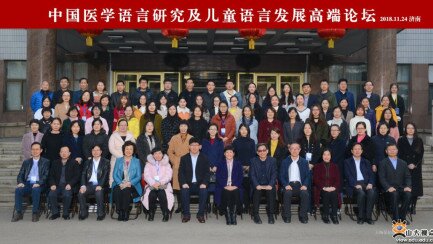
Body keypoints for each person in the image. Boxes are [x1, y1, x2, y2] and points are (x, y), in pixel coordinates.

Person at [12, 142, 50, 222]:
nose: (35, 151)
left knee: (36, 190)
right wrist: (20, 182)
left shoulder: (46, 162)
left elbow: (46, 175)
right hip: (28, 183)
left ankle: (35, 213)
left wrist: (39, 183)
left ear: (41, 150)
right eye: (33, 149)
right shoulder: (26, 162)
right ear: (31, 151)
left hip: (40, 184)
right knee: (18, 190)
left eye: (37, 149)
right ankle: (18, 212)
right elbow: (20, 174)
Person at [179, 137, 211, 223]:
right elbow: (181, 173)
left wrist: (204, 183)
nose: (194, 147)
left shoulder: (204, 158)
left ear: (200, 146)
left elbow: (207, 173)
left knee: (204, 191)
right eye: (192, 145)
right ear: (189, 146)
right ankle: (186, 214)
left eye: (196, 145)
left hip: (200, 184)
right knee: (184, 191)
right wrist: (183, 183)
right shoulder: (184, 158)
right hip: (188, 184)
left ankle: (200, 214)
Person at [379, 144, 412, 223]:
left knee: (408, 194)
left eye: (394, 149)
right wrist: (388, 187)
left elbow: (408, 177)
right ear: (386, 151)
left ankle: (402, 217)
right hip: (389, 189)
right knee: (394, 194)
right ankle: (396, 219)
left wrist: (408, 186)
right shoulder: (382, 163)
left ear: (397, 150)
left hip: (401, 187)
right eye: (390, 150)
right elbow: (382, 178)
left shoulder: (403, 163)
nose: (392, 151)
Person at [344, 143, 376, 225]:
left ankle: (368, 217)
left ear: (362, 151)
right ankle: (361, 217)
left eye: (359, 149)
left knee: (372, 192)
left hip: (365, 184)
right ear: (352, 151)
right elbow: (348, 176)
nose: (357, 151)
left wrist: (370, 183)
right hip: (353, 185)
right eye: (355, 149)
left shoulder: (366, 162)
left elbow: (371, 175)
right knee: (361, 193)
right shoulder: (347, 162)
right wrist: (355, 184)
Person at [78, 145, 110, 221]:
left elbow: (105, 175)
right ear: (91, 152)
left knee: (98, 192)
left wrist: (100, 185)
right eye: (94, 150)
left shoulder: (106, 162)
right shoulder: (87, 162)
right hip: (89, 185)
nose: (95, 152)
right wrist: (83, 186)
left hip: (101, 185)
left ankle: (101, 213)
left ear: (101, 152)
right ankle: (83, 213)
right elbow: (83, 174)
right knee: (81, 193)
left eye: (97, 150)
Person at [47, 146, 80, 220]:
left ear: (69, 153)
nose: (64, 153)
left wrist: (70, 184)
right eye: (62, 152)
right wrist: (52, 184)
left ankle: (65, 213)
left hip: (68, 186)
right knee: (51, 194)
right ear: (59, 153)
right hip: (57, 186)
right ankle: (55, 213)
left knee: (67, 194)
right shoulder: (55, 163)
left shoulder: (74, 163)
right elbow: (51, 176)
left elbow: (77, 176)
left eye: (66, 152)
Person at [397, 123, 424, 215]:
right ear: (406, 130)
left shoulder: (419, 140)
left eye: (412, 128)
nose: (410, 130)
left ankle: (413, 206)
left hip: (416, 167)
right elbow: (399, 154)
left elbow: (421, 154)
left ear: (415, 129)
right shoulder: (401, 140)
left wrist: (414, 164)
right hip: (405, 167)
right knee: (406, 186)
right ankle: (406, 206)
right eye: (408, 128)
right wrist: (407, 164)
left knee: (415, 188)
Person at [112, 141, 142, 221]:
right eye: (127, 149)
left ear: (133, 150)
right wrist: (120, 183)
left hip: (132, 185)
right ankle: (120, 211)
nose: (128, 151)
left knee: (126, 191)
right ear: (123, 150)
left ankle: (125, 212)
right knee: (117, 190)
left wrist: (129, 183)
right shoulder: (118, 160)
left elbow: (139, 176)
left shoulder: (137, 161)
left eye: (130, 149)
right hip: (119, 183)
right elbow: (114, 174)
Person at [167, 121, 193, 213]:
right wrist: (174, 161)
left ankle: (186, 204)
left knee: (186, 184)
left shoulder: (191, 138)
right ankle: (180, 205)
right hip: (177, 163)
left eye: (185, 126)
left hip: (189, 163)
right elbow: (170, 151)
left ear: (187, 127)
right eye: (181, 126)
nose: (183, 128)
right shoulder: (174, 138)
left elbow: (194, 151)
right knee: (177, 186)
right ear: (179, 127)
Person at [142, 148, 174, 222]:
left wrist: (160, 183)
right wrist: (153, 183)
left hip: (164, 185)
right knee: (152, 194)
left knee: (161, 192)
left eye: (159, 153)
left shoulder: (167, 164)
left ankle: (165, 213)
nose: (157, 155)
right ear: (152, 155)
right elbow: (146, 175)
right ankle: (151, 213)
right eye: (155, 153)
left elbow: (168, 176)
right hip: (151, 185)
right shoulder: (148, 164)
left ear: (163, 154)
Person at [215, 145, 243, 225]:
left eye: (231, 152)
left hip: (235, 185)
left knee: (236, 191)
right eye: (227, 152)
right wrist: (225, 185)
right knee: (226, 191)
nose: (229, 154)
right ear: (224, 154)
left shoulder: (238, 163)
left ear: (233, 153)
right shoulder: (220, 163)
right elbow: (218, 176)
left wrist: (235, 185)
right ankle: (228, 216)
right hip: (223, 185)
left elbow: (241, 177)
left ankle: (233, 215)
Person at [250, 143, 277, 224]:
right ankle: (256, 215)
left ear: (267, 151)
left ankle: (271, 214)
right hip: (258, 185)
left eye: (264, 150)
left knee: (271, 191)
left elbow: (274, 174)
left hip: (268, 185)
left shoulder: (272, 160)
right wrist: (257, 185)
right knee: (257, 192)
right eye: (260, 151)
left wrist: (270, 185)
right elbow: (252, 175)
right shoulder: (253, 161)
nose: (262, 152)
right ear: (257, 152)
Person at [232, 124, 256, 213]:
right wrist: (239, 166)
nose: (243, 131)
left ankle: (247, 205)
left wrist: (249, 165)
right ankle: (239, 206)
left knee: (248, 187)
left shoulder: (252, 141)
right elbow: (233, 156)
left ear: (248, 131)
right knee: (238, 186)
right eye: (242, 129)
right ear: (239, 130)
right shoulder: (235, 141)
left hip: (249, 167)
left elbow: (253, 155)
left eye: (245, 129)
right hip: (238, 167)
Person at [313, 148, 340, 224]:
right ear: (322, 156)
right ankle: (325, 215)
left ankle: (334, 215)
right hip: (321, 188)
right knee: (326, 193)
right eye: (324, 154)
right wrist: (324, 187)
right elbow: (315, 179)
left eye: (328, 154)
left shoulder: (335, 166)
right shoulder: (317, 166)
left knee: (334, 193)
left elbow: (338, 180)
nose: (326, 156)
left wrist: (333, 187)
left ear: (331, 156)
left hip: (332, 188)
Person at [109, 118, 136, 186]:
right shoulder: (113, 135)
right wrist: (122, 157)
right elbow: (111, 148)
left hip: (129, 159)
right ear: (118, 126)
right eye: (121, 125)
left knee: (128, 178)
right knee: (115, 177)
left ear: (127, 126)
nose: (123, 127)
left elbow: (134, 147)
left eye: (125, 125)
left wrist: (127, 156)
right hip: (116, 159)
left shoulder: (131, 135)